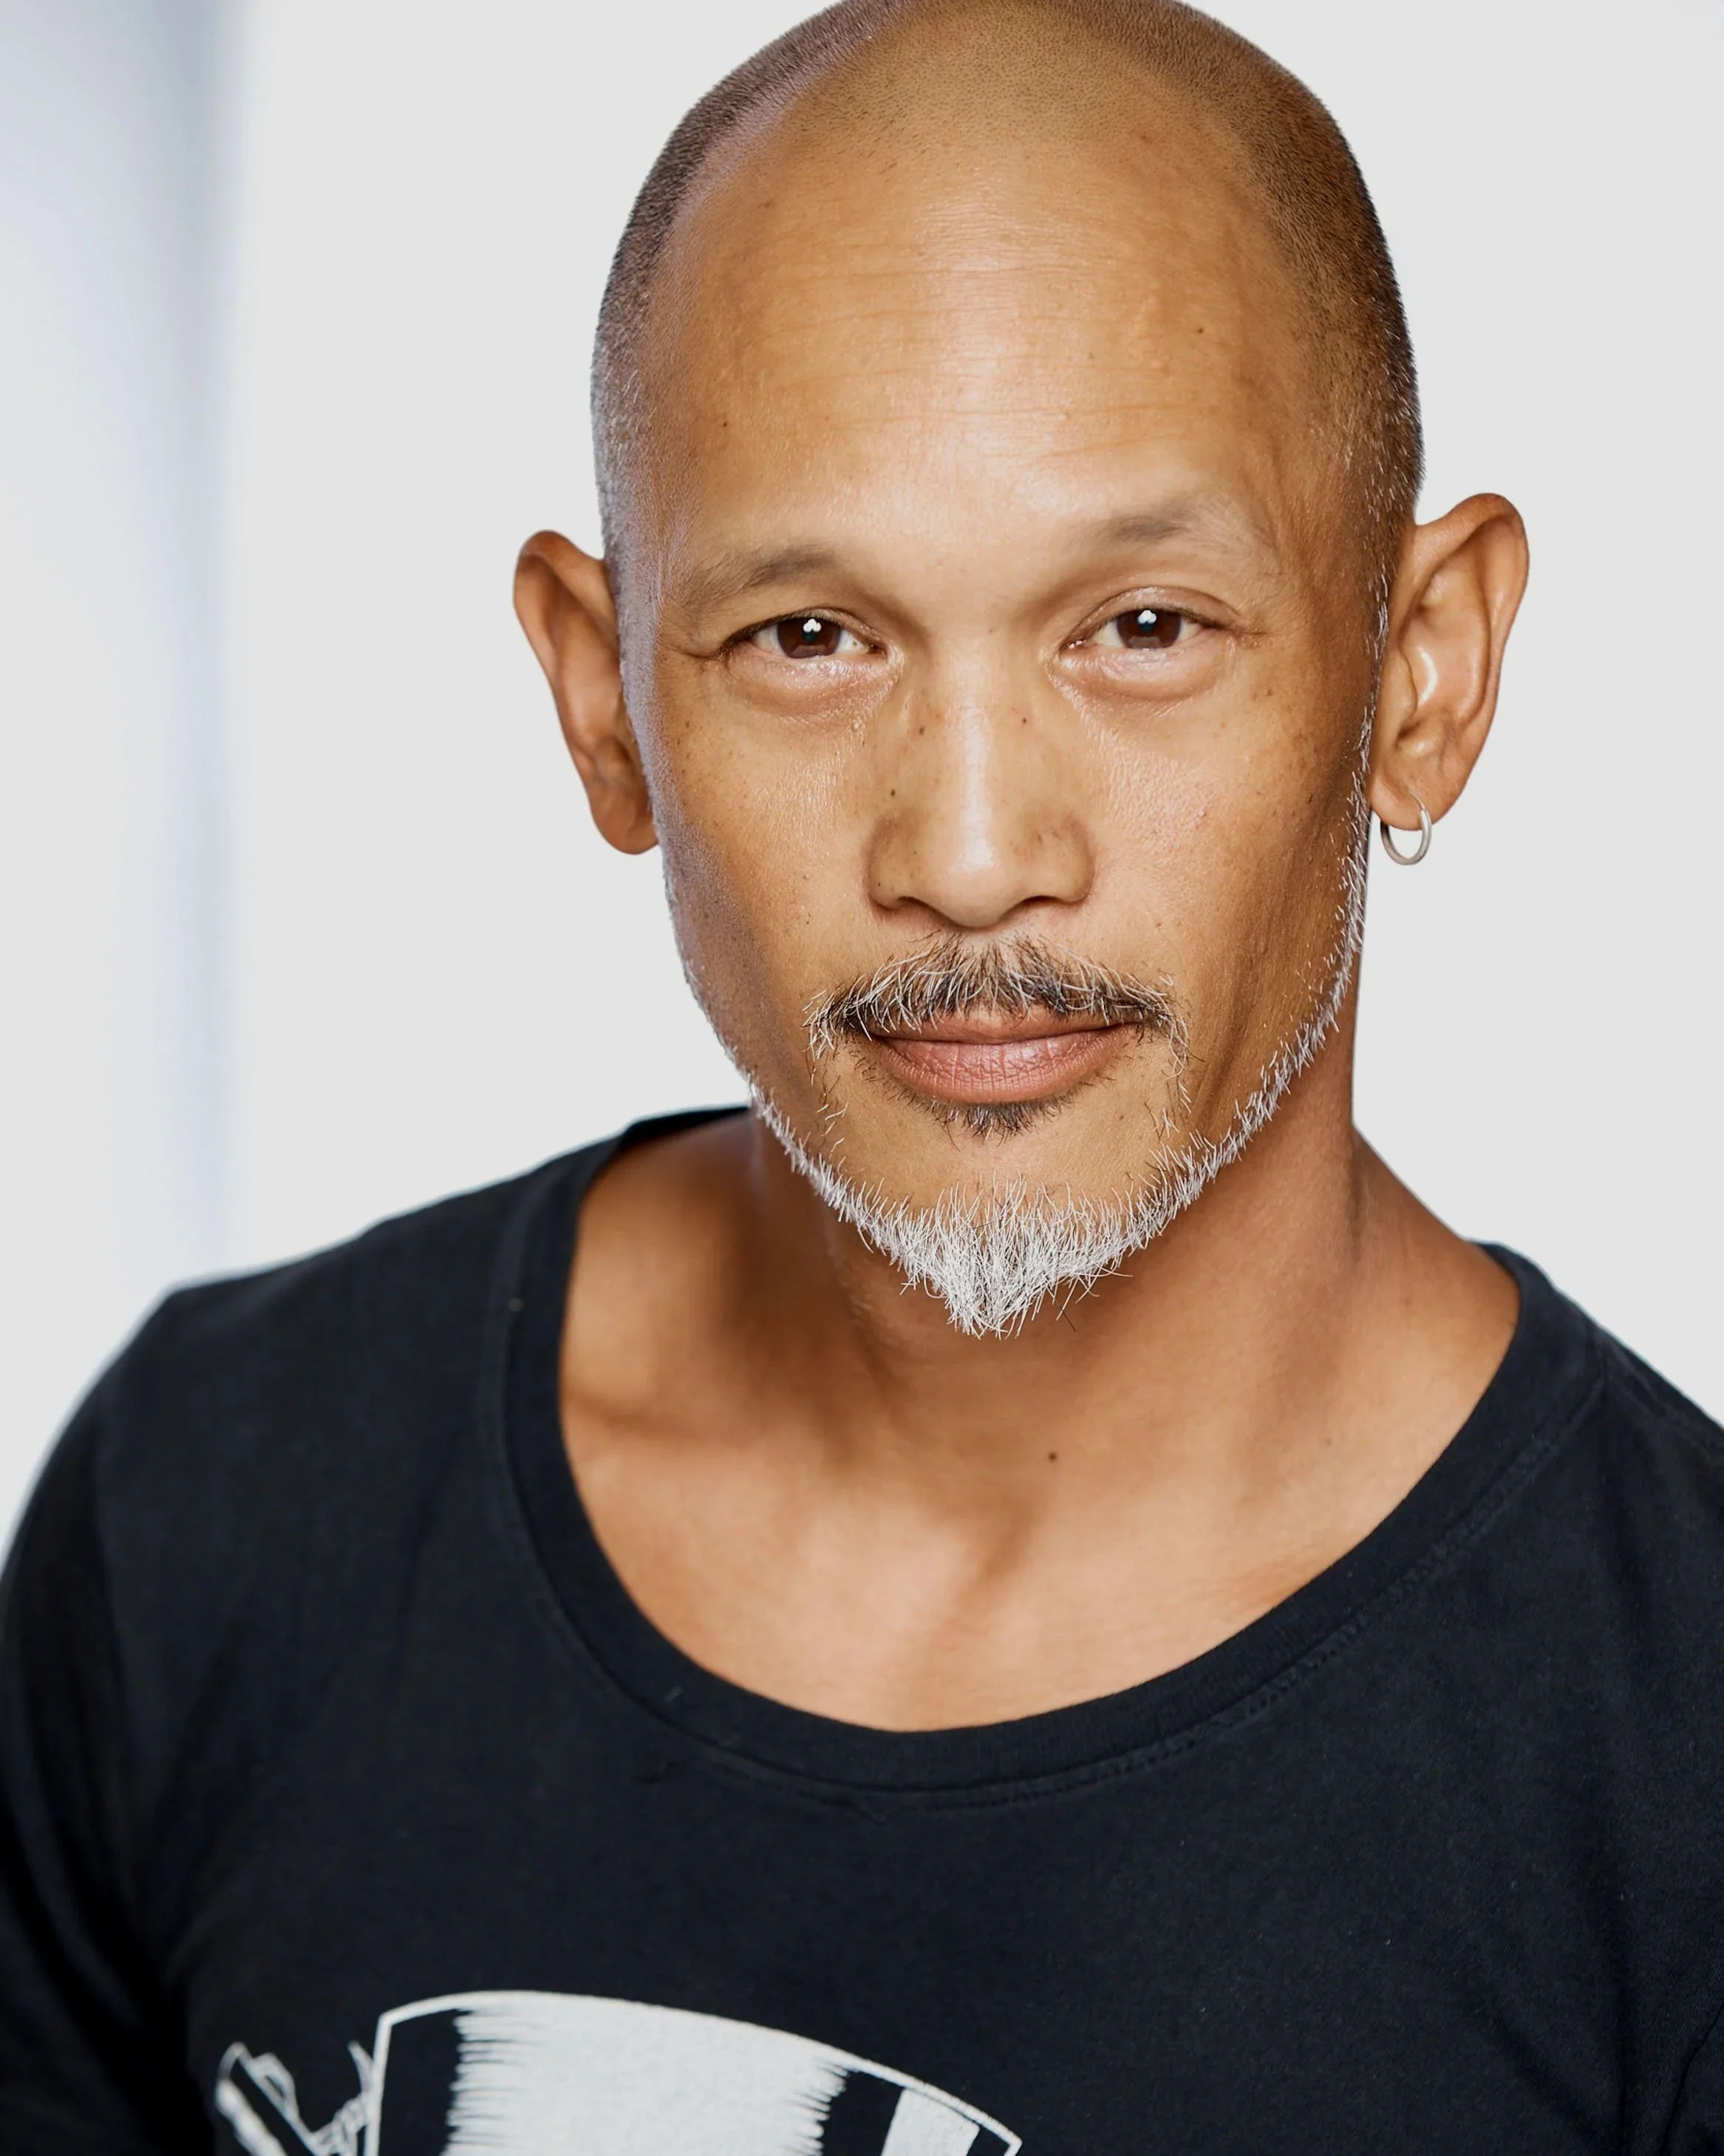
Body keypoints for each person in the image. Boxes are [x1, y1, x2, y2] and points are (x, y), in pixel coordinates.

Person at [3, 1, 1721, 2149]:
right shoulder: (218, 1513)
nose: (976, 849)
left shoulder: (1672, 1768)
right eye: (809, 639)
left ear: (1425, 671)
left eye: (1144, 626)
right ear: (603, 698)